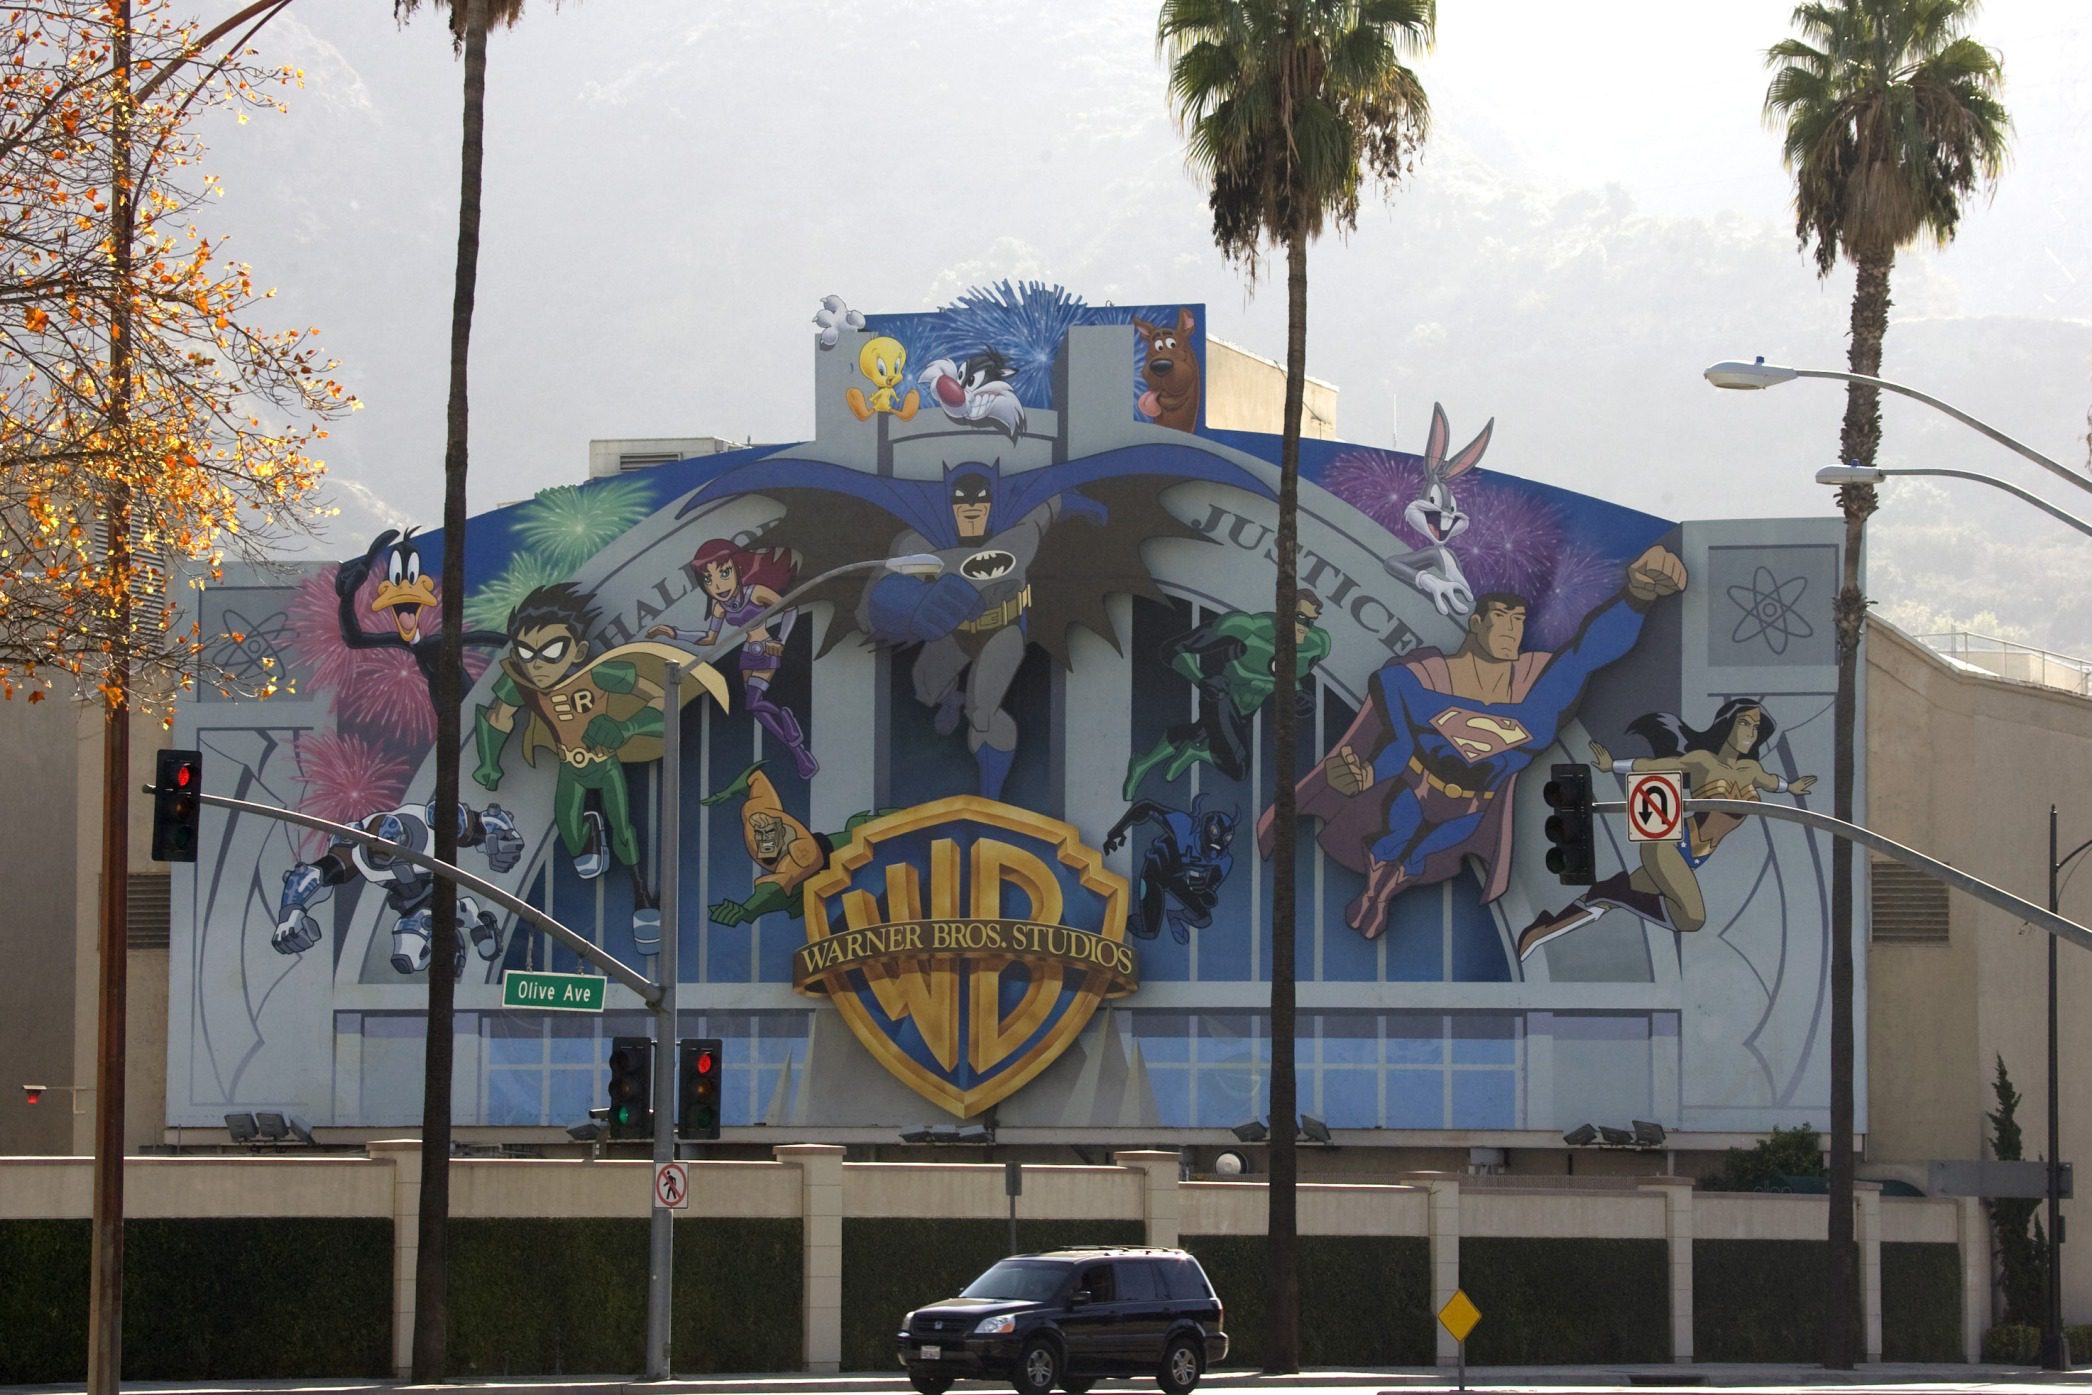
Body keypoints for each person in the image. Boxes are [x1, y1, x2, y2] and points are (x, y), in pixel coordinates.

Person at [1264, 544, 1688, 940]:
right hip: (1414, 790)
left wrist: (1637, 596)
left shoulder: (1538, 691)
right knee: (1392, 844)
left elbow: (1588, 652)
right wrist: (1367, 775)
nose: (1512, 628)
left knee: (1415, 857)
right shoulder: (1415, 681)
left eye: (1519, 620)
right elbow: (1399, 747)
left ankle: (1385, 890)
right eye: (1502, 616)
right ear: (1476, 622)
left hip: (1471, 809)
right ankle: (1377, 888)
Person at [1517, 699, 1818, 959]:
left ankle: (1542, 930)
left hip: (1695, 857)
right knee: (1692, 918)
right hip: (1669, 843)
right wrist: (1613, 766)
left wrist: (1791, 787)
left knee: (1608, 901)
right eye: (1744, 723)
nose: (1751, 732)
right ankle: (1616, 891)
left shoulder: (1752, 770)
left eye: (1756, 727)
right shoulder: (1704, 762)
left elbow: (1773, 783)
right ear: (1727, 725)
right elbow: (1654, 767)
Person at [1122, 593, 1330, 799]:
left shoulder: (1315, 647)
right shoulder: (1245, 628)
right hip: (1220, 696)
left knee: (1199, 732)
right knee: (1238, 768)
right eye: (1300, 618)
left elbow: (1289, 675)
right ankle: (1198, 752)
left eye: (1310, 622)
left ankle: (1144, 764)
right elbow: (1174, 650)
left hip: (1246, 711)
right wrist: (1201, 680)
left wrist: (1300, 696)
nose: (1304, 628)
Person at [648, 539, 818, 779]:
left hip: (766, 649)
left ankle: (784, 717)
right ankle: (798, 752)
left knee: (753, 703)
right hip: (748, 654)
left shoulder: (755, 593)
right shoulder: (720, 606)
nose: (718, 585)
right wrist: (673, 633)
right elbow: (709, 638)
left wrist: (780, 640)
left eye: (724, 573)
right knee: (756, 709)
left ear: (738, 569)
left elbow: (790, 608)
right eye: (709, 579)